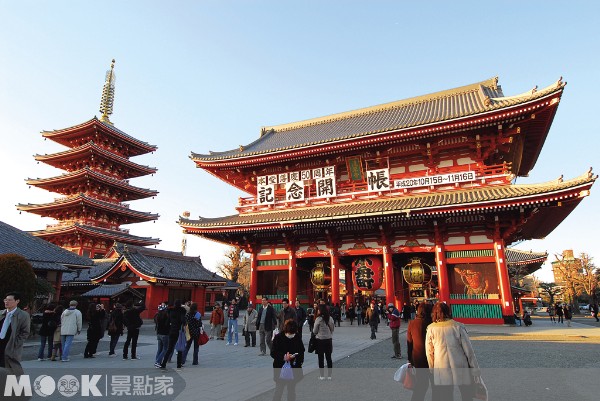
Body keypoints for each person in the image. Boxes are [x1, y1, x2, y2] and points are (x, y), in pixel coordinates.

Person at [426, 302, 480, 401]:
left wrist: (432, 368)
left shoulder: (431, 328)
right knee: (466, 393)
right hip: (460, 363)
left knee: (445, 395)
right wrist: (475, 369)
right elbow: (469, 350)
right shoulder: (458, 326)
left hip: (441, 365)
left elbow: (429, 352)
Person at [271, 319, 305, 401]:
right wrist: (283, 356)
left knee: (291, 391)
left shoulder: (297, 337)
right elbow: (273, 353)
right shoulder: (278, 337)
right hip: (280, 368)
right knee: (279, 391)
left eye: (293, 333)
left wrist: (295, 357)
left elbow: (301, 351)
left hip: (293, 368)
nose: (291, 335)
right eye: (290, 333)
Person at [407, 303, 433, 401]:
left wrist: (409, 360)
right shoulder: (431, 324)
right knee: (436, 384)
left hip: (418, 358)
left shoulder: (412, 323)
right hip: (432, 357)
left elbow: (409, 343)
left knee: (421, 383)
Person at [0, 292, 30, 375]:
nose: (6, 302)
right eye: (5, 300)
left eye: (9, 300)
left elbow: (25, 332)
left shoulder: (23, 315)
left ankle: (12, 386)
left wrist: (15, 343)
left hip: (10, 346)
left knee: (11, 368)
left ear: (17, 301)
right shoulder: (1, 313)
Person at [159, 299, 187, 370]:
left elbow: (167, 323)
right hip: (179, 331)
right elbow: (183, 320)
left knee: (169, 348)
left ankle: (163, 363)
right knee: (179, 348)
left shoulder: (171, 311)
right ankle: (178, 365)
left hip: (172, 330)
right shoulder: (181, 311)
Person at [312, 304, 334, 380]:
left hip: (320, 340)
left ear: (320, 310)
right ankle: (329, 375)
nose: (317, 311)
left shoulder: (318, 319)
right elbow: (332, 329)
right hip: (328, 340)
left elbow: (314, 331)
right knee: (329, 358)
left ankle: (322, 375)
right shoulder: (330, 318)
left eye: (318, 309)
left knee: (320, 358)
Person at [154, 303, 170, 368]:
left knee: (159, 349)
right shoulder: (166, 317)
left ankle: (157, 361)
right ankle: (158, 361)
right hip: (165, 334)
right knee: (165, 349)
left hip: (158, 333)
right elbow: (168, 325)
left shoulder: (157, 316)